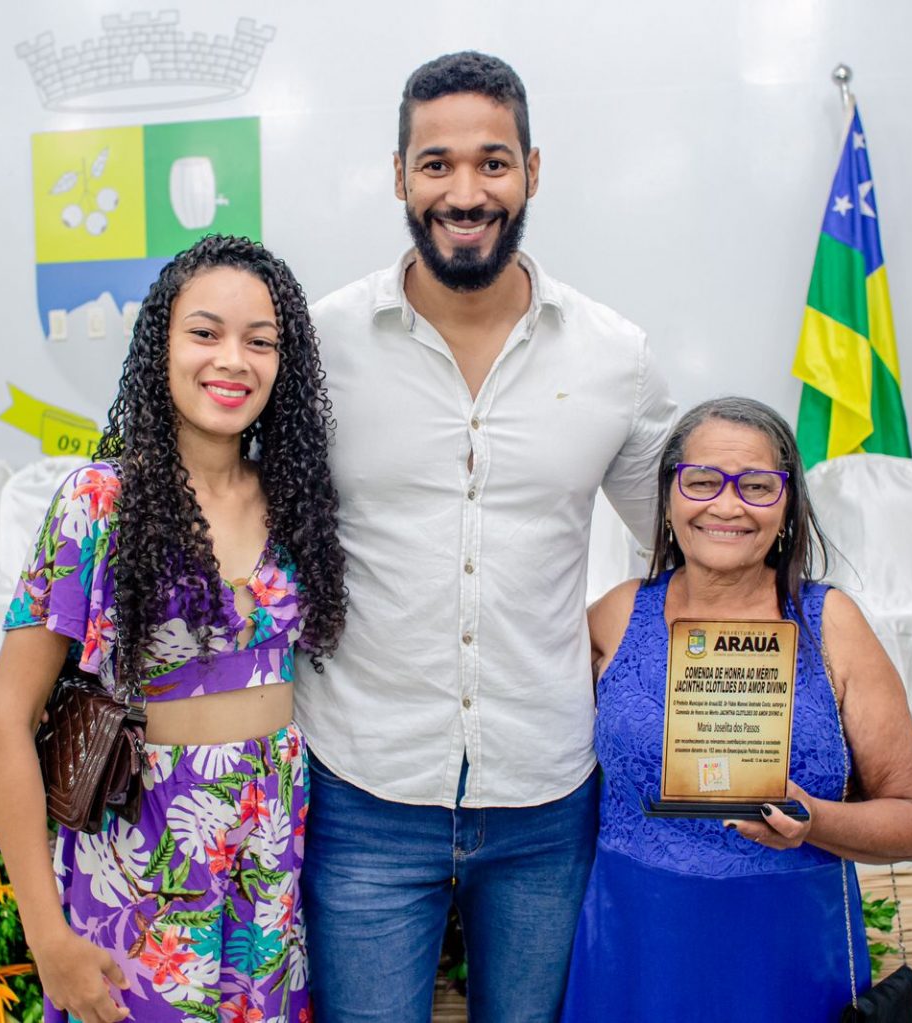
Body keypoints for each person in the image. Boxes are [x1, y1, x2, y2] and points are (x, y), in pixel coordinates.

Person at [295, 52, 677, 1021]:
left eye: (493, 162)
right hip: (363, 787)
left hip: (545, 794)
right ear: (399, 176)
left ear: (532, 171)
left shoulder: (615, 356)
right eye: (437, 163)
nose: (465, 193)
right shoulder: (317, 346)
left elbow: (685, 549)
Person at [0, 235, 347, 1023]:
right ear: (161, 345)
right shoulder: (99, 501)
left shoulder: (295, 500)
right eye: (205, 333)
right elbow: (7, 718)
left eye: (260, 341)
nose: (233, 360)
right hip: (140, 855)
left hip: (270, 855)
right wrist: (46, 937)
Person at [560, 396, 912, 1020]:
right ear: (669, 497)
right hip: (636, 940)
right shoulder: (617, 614)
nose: (727, 505)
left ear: (788, 505)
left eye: (758, 486)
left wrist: (814, 820)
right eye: (702, 481)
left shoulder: (832, 624)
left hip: (784, 948)